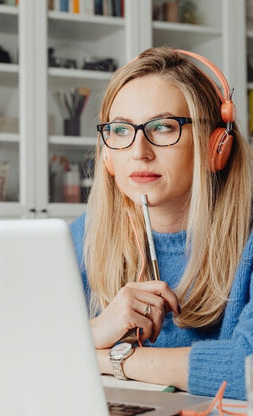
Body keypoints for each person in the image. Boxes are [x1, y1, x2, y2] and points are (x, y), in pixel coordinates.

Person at [70, 46, 253, 400]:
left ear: (217, 145)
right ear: (107, 153)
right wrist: (92, 332)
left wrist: (109, 357)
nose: (139, 151)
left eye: (163, 126)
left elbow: (246, 367)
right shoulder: (84, 235)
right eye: (121, 130)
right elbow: (12, 344)